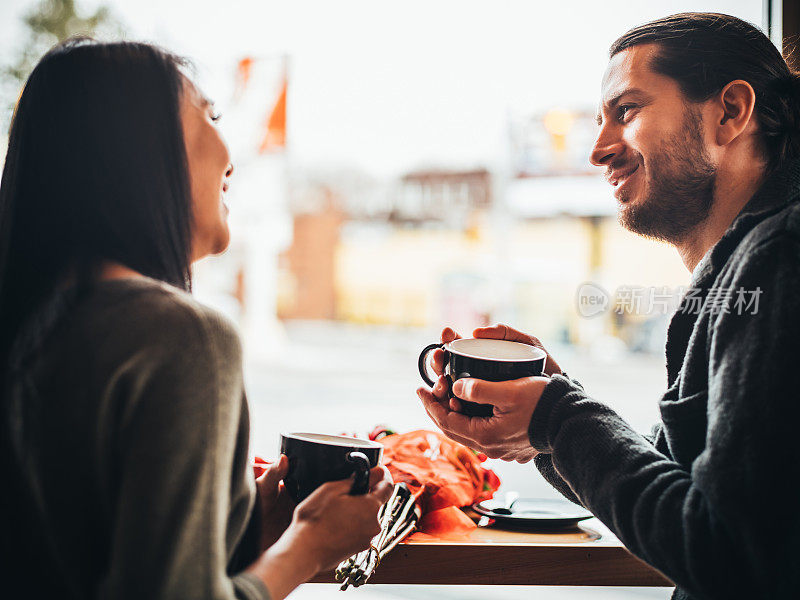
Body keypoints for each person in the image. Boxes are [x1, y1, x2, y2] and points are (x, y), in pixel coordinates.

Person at [417, 12, 800, 600]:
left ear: (730, 112)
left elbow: (732, 553)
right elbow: (677, 492)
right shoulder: (745, 268)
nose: (598, 150)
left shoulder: (779, 257)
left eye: (627, 111)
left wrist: (558, 417)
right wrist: (541, 425)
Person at [0, 38, 393, 599]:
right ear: (140, 151)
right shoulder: (180, 337)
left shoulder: (35, 319)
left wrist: (245, 520)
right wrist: (309, 545)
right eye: (211, 115)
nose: (231, 157)